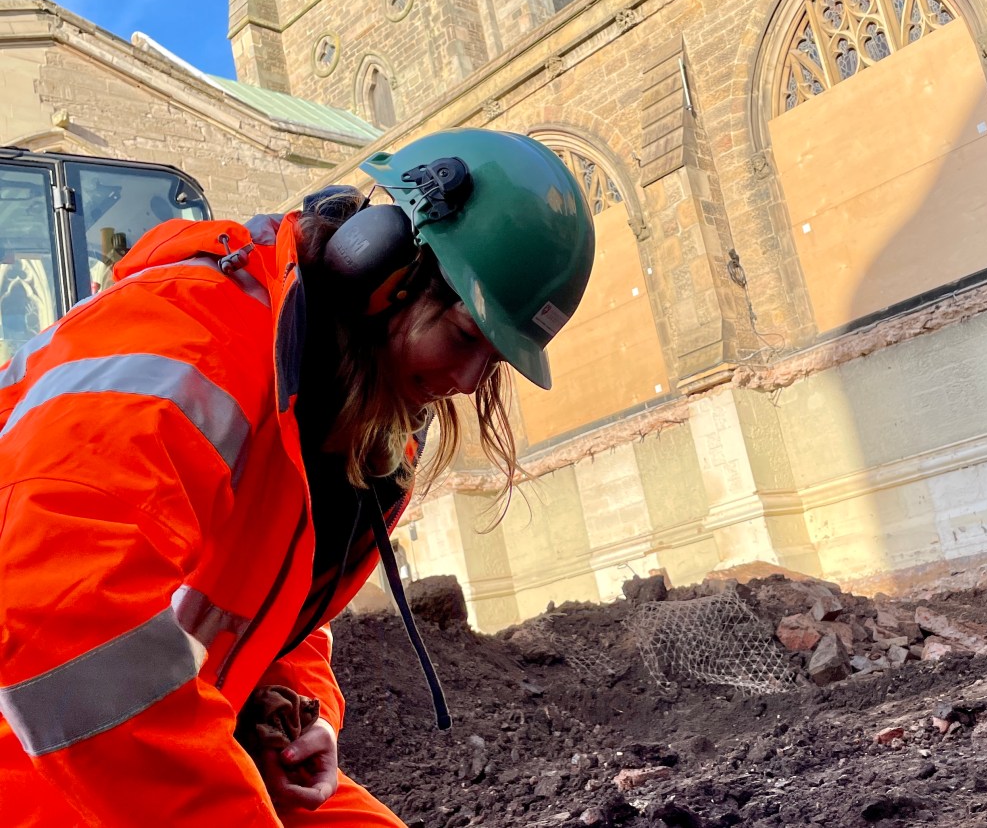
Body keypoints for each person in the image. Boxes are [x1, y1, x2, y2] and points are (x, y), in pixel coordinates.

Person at [0, 128, 595, 827]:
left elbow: (278, 603)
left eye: (491, 361)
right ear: (378, 268)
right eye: (465, 335)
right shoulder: (183, 340)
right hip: (40, 743)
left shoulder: (362, 430)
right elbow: (56, 623)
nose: (466, 382)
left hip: (144, 737)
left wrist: (289, 705)